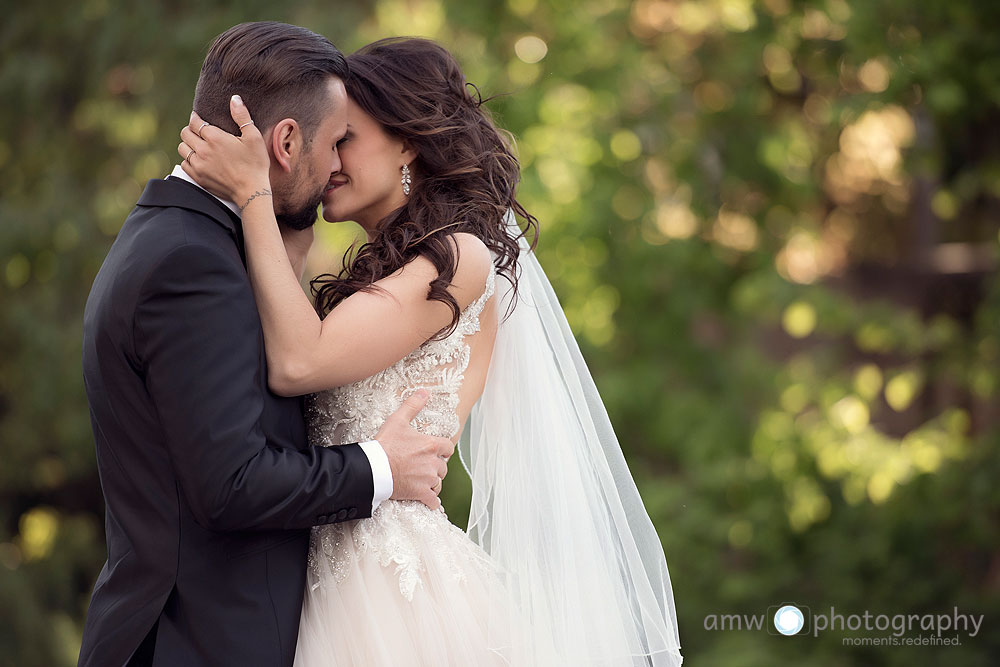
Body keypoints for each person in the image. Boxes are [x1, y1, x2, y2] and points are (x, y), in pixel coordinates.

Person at [179, 37, 683, 666]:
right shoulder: (380, 273)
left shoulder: (459, 258)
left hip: (394, 590)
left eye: (345, 139)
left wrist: (255, 192)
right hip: (320, 579)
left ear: (407, 141)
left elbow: (298, 363)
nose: (328, 158)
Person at [79, 24, 455, 667]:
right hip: (195, 646)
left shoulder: (181, 240)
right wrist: (381, 466)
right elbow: (231, 483)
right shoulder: (192, 266)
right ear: (285, 141)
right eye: (336, 142)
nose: (338, 165)